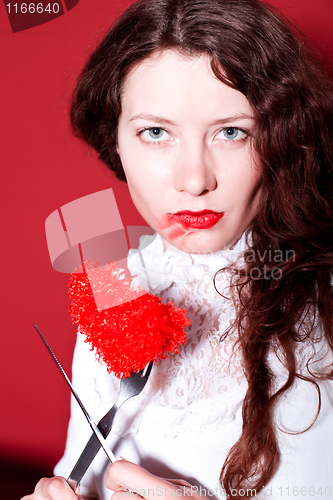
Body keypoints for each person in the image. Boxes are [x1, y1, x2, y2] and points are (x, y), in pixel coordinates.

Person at [22, 0, 333, 499]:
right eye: (156, 133)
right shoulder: (112, 290)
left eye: (232, 132)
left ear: (281, 137)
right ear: (116, 141)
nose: (194, 180)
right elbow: (80, 465)